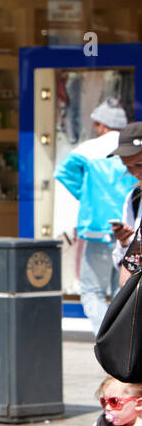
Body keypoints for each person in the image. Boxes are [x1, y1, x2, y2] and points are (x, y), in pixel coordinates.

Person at [57, 98, 134, 331]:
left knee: (92, 291)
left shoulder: (88, 149)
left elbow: (63, 172)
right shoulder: (131, 149)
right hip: (129, 227)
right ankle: (121, 338)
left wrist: (87, 195)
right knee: (122, 292)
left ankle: (108, 338)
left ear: (101, 125)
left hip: (98, 228)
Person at [110, 121, 142, 285]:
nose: (135, 172)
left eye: (139, 164)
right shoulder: (134, 198)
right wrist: (125, 242)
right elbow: (123, 267)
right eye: (127, 166)